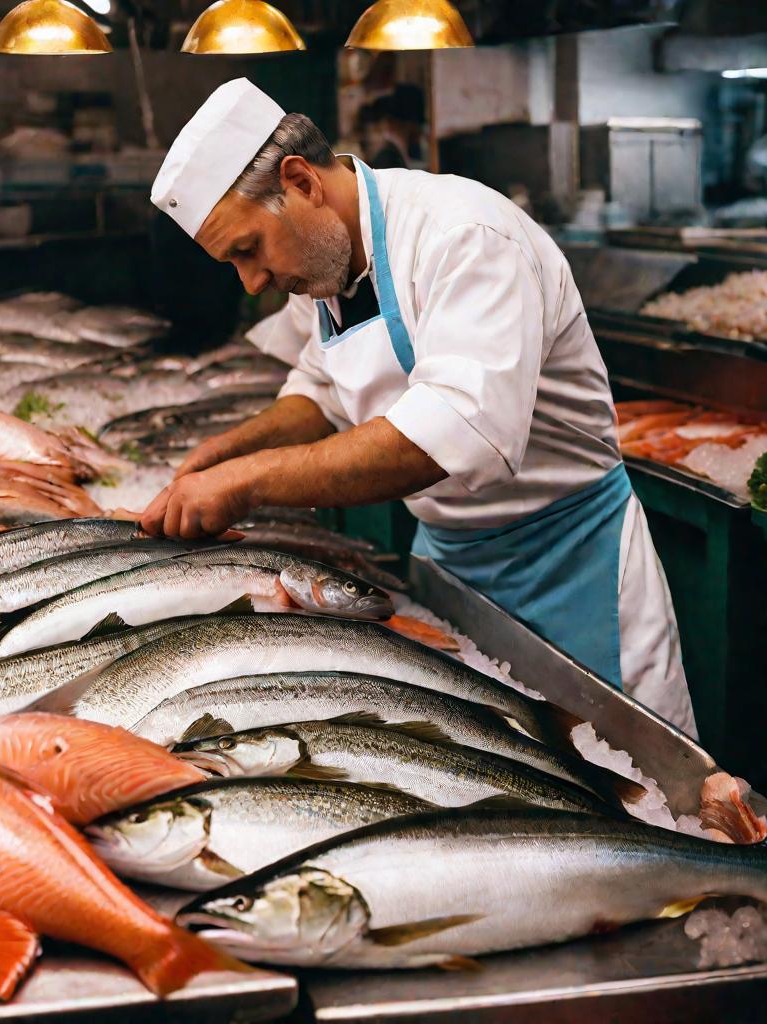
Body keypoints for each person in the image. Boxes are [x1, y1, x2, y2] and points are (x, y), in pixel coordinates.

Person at [142, 78, 696, 735]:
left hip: (575, 570)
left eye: (247, 250)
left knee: (625, 799)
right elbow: (324, 388)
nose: (253, 281)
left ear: (300, 182)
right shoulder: (324, 259)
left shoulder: (464, 236)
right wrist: (231, 450)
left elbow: (454, 433)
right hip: (453, 572)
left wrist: (249, 482)